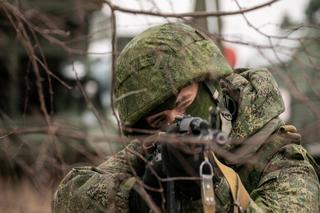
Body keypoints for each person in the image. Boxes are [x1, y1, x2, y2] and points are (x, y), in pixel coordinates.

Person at [52, 23, 320, 213]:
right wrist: (141, 197)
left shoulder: (282, 160)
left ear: (212, 86)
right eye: (160, 120)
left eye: (185, 103)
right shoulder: (155, 149)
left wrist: (207, 189)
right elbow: (68, 198)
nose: (176, 120)